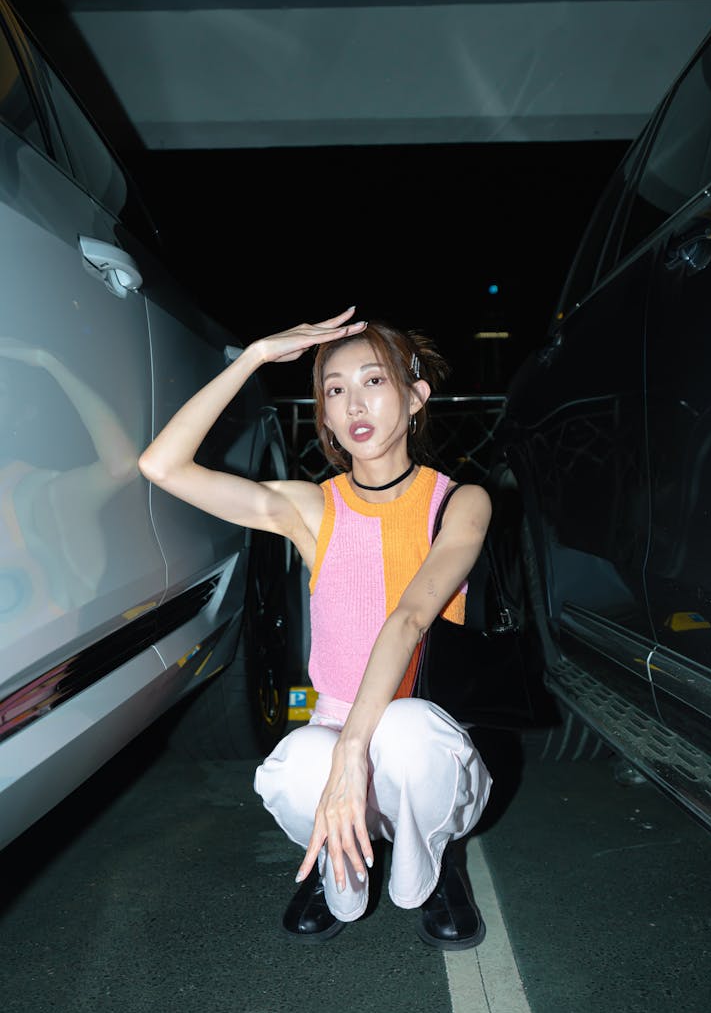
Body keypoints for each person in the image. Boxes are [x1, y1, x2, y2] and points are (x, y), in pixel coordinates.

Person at [138, 306, 493, 949]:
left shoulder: (460, 501)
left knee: (405, 731)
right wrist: (252, 358)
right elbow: (162, 466)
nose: (354, 403)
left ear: (416, 398)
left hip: (427, 749)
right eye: (335, 390)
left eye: (374, 381)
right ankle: (339, 869)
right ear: (324, 418)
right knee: (301, 758)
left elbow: (410, 618)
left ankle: (434, 866)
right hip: (335, 733)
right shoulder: (311, 508)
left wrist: (352, 751)